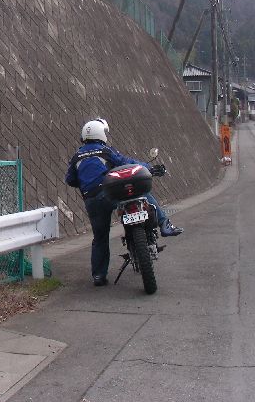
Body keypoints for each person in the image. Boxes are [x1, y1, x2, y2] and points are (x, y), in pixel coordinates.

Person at [65, 118, 183, 286]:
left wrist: (86, 181)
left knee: (100, 237)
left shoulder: (76, 157)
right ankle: (164, 223)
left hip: (92, 200)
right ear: (101, 134)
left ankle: (99, 276)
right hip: (110, 193)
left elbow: (70, 180)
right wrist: (147, 168)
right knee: (142, 193)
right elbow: (126, 162)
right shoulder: (105, 151)